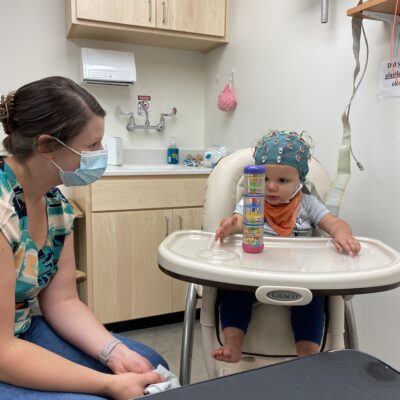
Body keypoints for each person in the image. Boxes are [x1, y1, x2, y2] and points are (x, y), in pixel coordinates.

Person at [0, 76, 167, 399]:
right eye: (92, 146)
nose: (100, 154)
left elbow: (62, 300)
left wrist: (114, 352)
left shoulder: (56, 206)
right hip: (3, 346)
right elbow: (2, 350)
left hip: (19, 331)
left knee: (150, 366)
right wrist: (108, 384)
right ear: (47, 146)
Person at [212, 130, 361, 363]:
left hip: (298, 276)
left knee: (312, 301)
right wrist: (230, 225)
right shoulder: (253, 201)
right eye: (265, 178)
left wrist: (343, 234)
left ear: (299, 181)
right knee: (233, 292)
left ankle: (307, 355)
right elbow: (239, 222)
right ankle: (233, 343)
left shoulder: (308, 204)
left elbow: (334, 223)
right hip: (254, 273)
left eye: (282, 181)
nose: (271, 187)